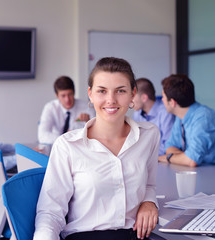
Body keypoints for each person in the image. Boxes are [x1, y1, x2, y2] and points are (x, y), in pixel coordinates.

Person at [34, 57, 160, 240]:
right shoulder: (67, 146)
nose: (111, 100)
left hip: (134, 235)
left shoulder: (149, 135)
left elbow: (149, 183)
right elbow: (50, 213)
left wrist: (149, 201)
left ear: (133, 94)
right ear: (90, 94)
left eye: (121, 91)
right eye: (102, 91)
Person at [158, 74, 215, 171]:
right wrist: (181, 157)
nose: (162, 100)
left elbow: (191, 160)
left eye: (163, 96)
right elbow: (170, 147)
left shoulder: (203, 118)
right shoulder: (180, 117)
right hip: (206, 170)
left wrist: (167, 158)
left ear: (172, 102)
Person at [37, 76, 95, 144]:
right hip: (57, 147)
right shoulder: (50, 107)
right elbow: (42, 136)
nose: (67, 100)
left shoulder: (87, 107)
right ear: (57, 96)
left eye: (70, 94)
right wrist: (66, 139)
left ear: (74, 92)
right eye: (63, 96)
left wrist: (89, 123)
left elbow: (96, 135)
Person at [133, 78, 175, 156]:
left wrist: (144, 154)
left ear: (144, 98)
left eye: (132, 96)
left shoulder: (166, 113)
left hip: (162, 160)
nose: (129, 100)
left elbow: (169, 145)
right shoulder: (137, 114)